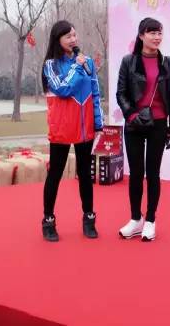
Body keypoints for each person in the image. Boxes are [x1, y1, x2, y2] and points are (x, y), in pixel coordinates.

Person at [116, 17, 170, 242]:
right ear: (141, 35)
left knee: (153, 173)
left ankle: (150, 220)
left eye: (159, 33)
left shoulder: (169, 63)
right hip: (134, 124)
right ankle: (136, 219)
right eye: (152, 33)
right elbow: (121, 93)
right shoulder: (128, 61)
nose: (157, 37)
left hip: (159, 124)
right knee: (135, 173)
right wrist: (131, 115)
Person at [41, 20, 103, 242]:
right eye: (68, 36)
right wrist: (77, 67)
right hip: (61, 127)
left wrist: (98, 122)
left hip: (85, 126)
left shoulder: (87, 62)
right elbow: (63, 89)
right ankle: (48, 220)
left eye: (74, 35)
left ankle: (89, 218)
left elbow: (95, 93)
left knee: (85, 173)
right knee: (55, 173)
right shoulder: (51, 65)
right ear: (57, 39)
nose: (73, 39)